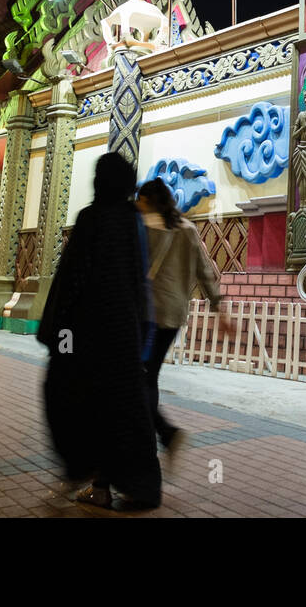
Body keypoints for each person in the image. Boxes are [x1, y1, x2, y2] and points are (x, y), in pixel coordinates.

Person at [38, 153, 161, 511]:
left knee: (78, 403)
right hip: (123, 334)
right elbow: (139, 280)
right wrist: (141, 333)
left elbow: (72, 280)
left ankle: (90, 477)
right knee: (121, 411)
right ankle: (136, 487)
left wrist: (58, 334)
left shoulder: (91, 219)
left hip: (86, 336)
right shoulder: (132, 220)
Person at [137, 177, 231, 465]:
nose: (137, 205)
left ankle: (164, 435)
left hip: (148, 316)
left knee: (142, 377)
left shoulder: (144, 228)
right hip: (175, 315)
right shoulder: (187, 229)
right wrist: (218, 307)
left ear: (148, 201)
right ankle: (163, 435)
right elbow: (205, 270)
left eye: (140, 200)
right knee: (147, 375)